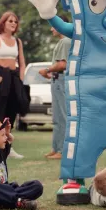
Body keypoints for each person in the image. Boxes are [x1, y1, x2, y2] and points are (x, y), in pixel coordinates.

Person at [0, 11, 27, 159]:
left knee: (11, 114)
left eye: (15, 21)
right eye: (10, 21)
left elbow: (22, 63)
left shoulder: (17, 41)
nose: (13, 23)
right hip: (1, 78)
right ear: (3, 23)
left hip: (14, 78)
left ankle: (8, 147)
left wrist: (20, 79)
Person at [0, 118, 43, 210]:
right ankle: (18, 202)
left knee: (37, 186)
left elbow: (10, 138)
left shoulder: (1, 151)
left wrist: (6, 133)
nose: (5, 138)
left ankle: (0, 202)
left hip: (6, 189)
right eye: (2, 135)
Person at [39, 15, 71, 160]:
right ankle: (55, 148)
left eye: (53, 25)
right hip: (57, 80)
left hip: (62, 80)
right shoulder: (62, 42)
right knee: (57, 117)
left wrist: (47, 70)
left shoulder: (65, 41)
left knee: (62, 117)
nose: (52, 28)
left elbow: (62, 64)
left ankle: (62, 150)